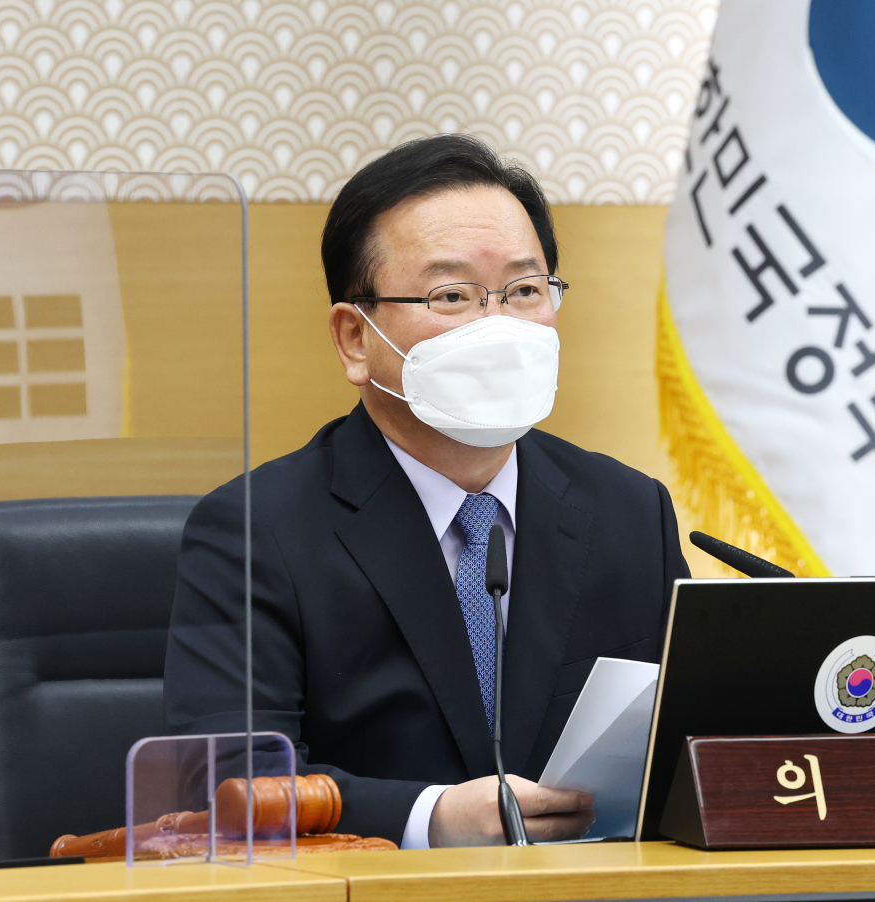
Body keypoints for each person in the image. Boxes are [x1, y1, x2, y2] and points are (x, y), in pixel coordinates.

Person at [163, 134, 690, 848]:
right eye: (451, 295)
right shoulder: (257, 530)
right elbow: (229, 786)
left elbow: (690, 741)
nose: (499, 325)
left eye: (526, 290)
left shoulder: (628, 511)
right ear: (355, 337)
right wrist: (431, 818)